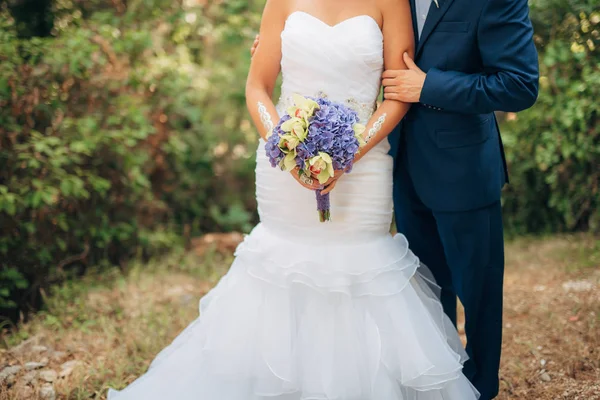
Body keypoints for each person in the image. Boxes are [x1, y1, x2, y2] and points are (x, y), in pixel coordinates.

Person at [108, 0, 488, 398]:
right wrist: (284, 148)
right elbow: (257, 86)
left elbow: (397, 92)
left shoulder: (390, 2)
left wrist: (349, 153)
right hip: (284, 164)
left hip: (363, 165)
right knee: (283, 266)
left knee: (358, 266)